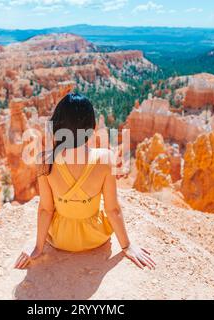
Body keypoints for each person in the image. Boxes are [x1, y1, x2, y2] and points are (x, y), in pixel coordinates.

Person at [15, 93, 155, 270]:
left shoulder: (44, 160)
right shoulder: (105, 158)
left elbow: (45, 209)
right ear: (93, 128)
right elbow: (112, 209)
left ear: (57, 126)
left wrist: (38, 246)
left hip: (60, 239)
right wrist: (127, 246)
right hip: (95, 237)